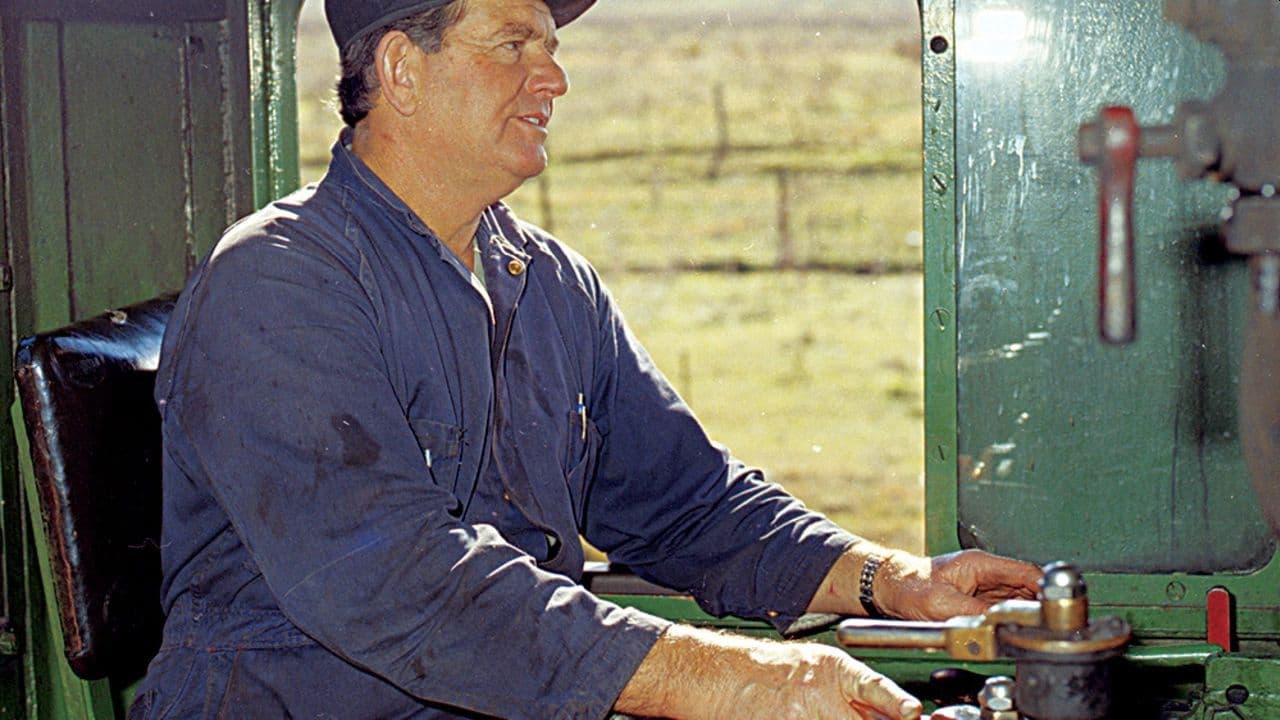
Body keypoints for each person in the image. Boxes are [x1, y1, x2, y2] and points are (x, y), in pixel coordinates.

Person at [129, 0, 1041, 718]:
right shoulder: (278, 284)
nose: (554, 77)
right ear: (403, 70)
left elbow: (688, 503)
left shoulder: (549, 281)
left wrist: (889, 581)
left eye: (551, 44)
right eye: (514, 44)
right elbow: (404, 585)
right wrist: (741, 680)